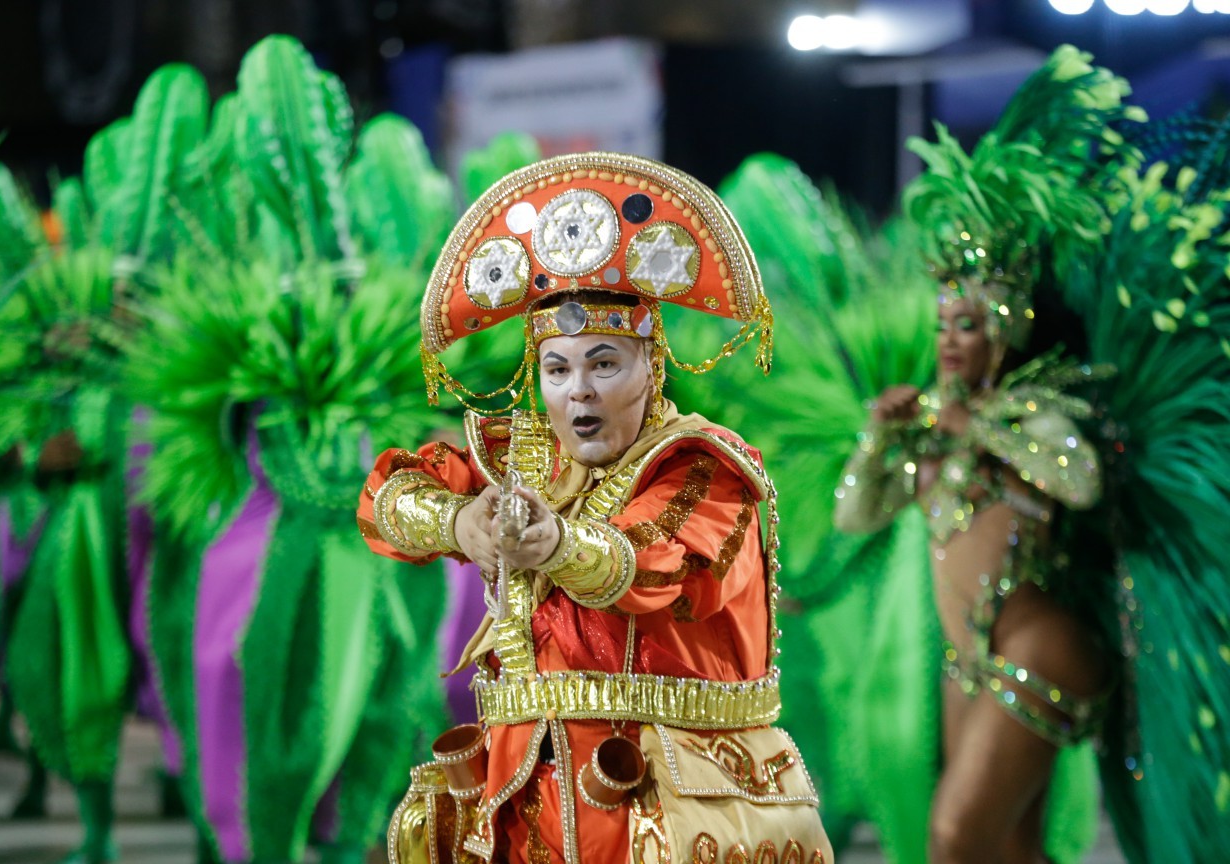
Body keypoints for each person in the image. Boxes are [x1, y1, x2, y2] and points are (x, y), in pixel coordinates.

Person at [358, 153, 832, 864]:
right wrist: (461, 523)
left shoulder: (705, 469)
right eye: (558, 369)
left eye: (604, 363)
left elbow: (654, 564)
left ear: (652, 364)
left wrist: (553, 546)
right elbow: (385, 496)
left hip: (661, 808)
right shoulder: (515, 455)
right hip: (522, 799)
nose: (578, 391)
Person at [832, 46, 1137, 864]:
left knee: (953, 839)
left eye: (968, 324)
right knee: (1009, 852)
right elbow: (856, 513)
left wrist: (978, 429)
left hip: (1043, 646)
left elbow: (1078, 478)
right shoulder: (930, 421)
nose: (949, 342)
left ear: (1005, 329)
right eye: (942, 324)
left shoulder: (1037, 409)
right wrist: (881, 438)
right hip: (971, 660)